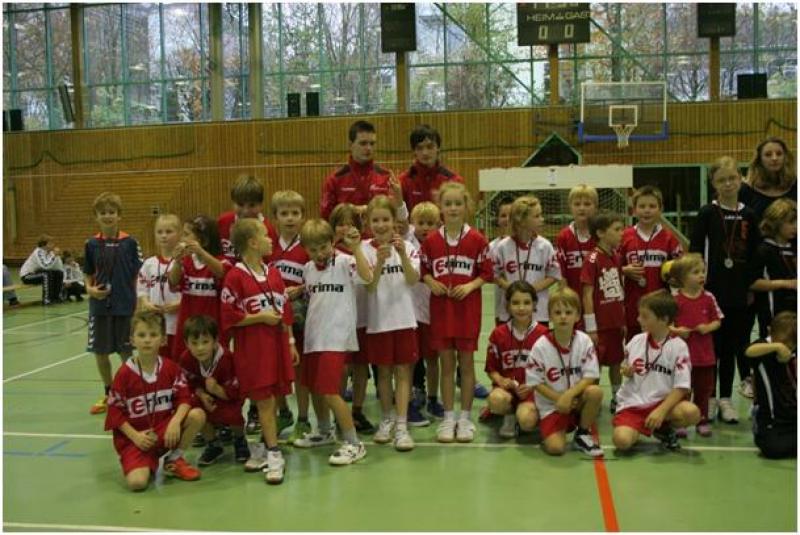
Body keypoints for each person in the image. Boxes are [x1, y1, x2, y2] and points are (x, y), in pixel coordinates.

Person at [220, 218, 298, 484]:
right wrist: (260, 318)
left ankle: (266, 445)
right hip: (254, 349)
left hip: (276, 346)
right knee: (263, 401)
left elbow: (284, 312)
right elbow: (229, 317)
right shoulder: (235, 275)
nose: (270, 239)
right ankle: (275, 454)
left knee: (273, 398)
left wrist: (290, 342)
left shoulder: (273, 273)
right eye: (265, 235)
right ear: (252, 242)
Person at [293, 218, 371, 466]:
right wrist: (295, 291)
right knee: (316, 388)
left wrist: (356, 248)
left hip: (336, 338)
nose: (319, 253)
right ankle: (324, 431)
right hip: (314, 338)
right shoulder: (307, 269)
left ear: (332, 242)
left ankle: (353, 442)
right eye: (313, 249)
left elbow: (368, 277)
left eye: (323, 247)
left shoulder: (345, 262)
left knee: (329, 391)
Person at [689, 156, 761, 422]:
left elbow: (755, 254)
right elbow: (695, 249)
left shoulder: (749, 215)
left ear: (740, 178)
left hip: (739, 293)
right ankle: (707, 398)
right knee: (712, 348)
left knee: (732, 346)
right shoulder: (708, 212)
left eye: (732, 178)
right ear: (713, 184)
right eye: (721, 180)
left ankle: (726, 399)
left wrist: (751, 286)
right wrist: (696, 284)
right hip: (712, 290)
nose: (728, 184)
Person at [420, 181, 493, 443]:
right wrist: (431, 282)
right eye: (448, 203)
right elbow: (424, 271)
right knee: (446, 364)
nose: (452, 208)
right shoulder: (431, 241)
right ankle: (448, 417)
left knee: (466, 365)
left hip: (467, 311)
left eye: (457, 203)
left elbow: (487, 273)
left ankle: (465, 418)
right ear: (441, 207)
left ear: (466, 207)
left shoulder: (477, 239)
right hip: (441, 310)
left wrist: (470, 285)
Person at [105, 310, 205, 491]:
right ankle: (145, 461)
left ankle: (174, 459)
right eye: (141, 335)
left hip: (165, 431)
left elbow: (184, 399)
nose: (147, 340)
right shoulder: (124, 374)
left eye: (153, 335)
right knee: (137, 484)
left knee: (196, 415)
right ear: (132, 339)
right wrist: (135, 437)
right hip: (137, 438)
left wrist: (175, 421)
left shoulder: (170, 368)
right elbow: (114, 413)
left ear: (163, 339)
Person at [361, 196, 421, 451]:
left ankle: (401, 424)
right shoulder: (364, 249)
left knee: (403, 372)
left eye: (385, 219)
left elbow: (412, 279)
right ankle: (386, 419)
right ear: (368, 223)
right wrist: (380, 263)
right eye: (376, 220)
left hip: (404, 319)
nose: (381, 225)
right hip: (379, 321)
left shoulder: (407, 245)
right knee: (383, 373)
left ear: (394, 222)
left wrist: (401, 256)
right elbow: (370, 286)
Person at [612, 290, 701, 452]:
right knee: (621, 441)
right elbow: (625, 367)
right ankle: (643, 427)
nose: (639, 319)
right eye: (639, 315)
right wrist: (627, 371)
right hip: (634, 403)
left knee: (691, 413)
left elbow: (681, 387)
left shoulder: (679, 347)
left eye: (645, 316)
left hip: (662, 404)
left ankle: (662, 427)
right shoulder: (636, 341)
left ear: (664, 319)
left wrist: (661, 411)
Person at [527, 287, 604, 457]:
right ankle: (547, 428)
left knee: (595, 392)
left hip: (576, 401)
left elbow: (591, 376)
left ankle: (582, 432)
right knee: (556, 449)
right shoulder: (540, 345)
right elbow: (535, 382)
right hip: (551, 404)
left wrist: (569, 396)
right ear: (550, 316)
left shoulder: (584, 341)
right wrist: (559, 399)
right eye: (557, 312)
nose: (563, 316)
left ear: (577, 316)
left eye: (568, 312)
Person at [84, 192, 143, 415]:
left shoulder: (130, 243)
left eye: (111, 212)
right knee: (100, 352)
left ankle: (128, 393)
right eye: (102, 213)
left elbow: (139, 274)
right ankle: (109, 393)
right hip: (99, 308)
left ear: (119, 215)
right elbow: (87, 273)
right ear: (96, 217)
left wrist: (138, 302)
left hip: (126, 306)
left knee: (126, 352)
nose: (107, 216)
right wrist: (89, 289)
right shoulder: (91, 244)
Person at [267, 190, 311, 440]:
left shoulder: (307, 246)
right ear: (275, 217)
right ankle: (284, 411)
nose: (290, 218)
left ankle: (303, 418)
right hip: (273, 317)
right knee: (276, 369)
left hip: (300, 317)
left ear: (303, 216)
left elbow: (318, 277)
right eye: (284, 213)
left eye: (295, 213)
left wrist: (302, 288)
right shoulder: (267, 246)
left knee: (300, 369)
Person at [328, 202, 375, 434]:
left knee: (360, 367)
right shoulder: (327, 252)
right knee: (342, 368)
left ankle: (357, 409)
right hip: (339, 320)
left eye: (350, 224)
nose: (345, 229)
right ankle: (340, 413)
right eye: (340, 225)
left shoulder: (364, 248)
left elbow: (368, 277)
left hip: (363, 316)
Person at [179, 315, 249, 465]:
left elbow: (237, 393)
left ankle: (239, 439)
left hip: (228, 396)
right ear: (186, 343)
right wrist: (202, 394)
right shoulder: (185, 359)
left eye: (205, 342)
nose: (200, 348)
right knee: (193, 406)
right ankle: (213, 444)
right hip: (205, 396)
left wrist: (217, 390)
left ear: (215, 341)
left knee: (234, 412)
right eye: (194, 343)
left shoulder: (227, 359)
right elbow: (188, 385)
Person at [668, 253, 723, 437]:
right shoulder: (675, 300)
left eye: (703, 271)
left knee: (703, 390)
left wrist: (707, 327)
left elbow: (718, 320)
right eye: (695, 272)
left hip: (705, 355)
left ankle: (702, 419)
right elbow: (666, 324)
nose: (701, 275)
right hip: (682, 358)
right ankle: (681, 421)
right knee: (682, 390)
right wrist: (677, 331)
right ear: (682, 277)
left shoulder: (709, 297)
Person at [485, 281, 548, 439]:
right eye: (515, 303)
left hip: (532, 391)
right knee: (496, 400)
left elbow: (550, 372)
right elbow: (491, 369)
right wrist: (500, 380)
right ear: (507, 306)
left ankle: (525, 416)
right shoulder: (498, 334)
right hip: (507, 390)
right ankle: (509, 417)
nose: (521, 308)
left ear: (534, 305)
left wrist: (533, 386)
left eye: (526, 303)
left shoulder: (544, 334)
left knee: (527, 421)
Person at [620, 185, 683, 340]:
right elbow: (611, 267)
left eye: (652, 206)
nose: (647, 210)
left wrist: (676, 276)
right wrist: (623, 269)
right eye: (641, 206)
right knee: (635, 352)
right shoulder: (624, 236)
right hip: (633, 307)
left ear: (660, 209)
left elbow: (680, 271)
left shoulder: (669, 238)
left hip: (661, 310)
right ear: (633, 210)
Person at [168, 215, 231, 367]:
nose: (182, 238)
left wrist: (201, 252)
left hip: (213, 325)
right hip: (188, 322)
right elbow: (173, 282)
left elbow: (222, 272)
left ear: (204, 239)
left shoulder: (222, 260)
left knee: (216, 364)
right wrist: (177, 261)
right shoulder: (187, 261)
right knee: (184, 362)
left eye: (186, 234)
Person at [581, 210, 626, 414]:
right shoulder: (592, 259)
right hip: (599, 325)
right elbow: (587, 294)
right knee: (595, 366)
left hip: (615, 323)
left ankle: (617, 396)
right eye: (616, 229)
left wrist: (623, 319)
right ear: (600, 233)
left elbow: (618, 289)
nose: (621, 233)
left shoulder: (616, 256)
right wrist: (591, 327)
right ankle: (593, 398)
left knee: (616, 362)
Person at [492, 195, 561, 326]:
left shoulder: (544, 246)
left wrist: (531, 289)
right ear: (522, 220)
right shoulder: (503, 246)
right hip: (509, 310)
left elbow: (554, 275)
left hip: (538, 311)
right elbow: (494, 274)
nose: (542, 219)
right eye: (537, 216)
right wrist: (512, 290)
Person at [320, 120, 405, 221]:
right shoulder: (335, 180)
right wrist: (352, 210)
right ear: (350, 145)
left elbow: (396, 215)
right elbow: (326, 216)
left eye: (372, 144)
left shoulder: (386, 177)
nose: (368, 148)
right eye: (363, 143)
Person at [408, 201, 445, 421]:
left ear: (438, 224)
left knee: (433, 359)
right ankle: (412, 398)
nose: (424, 227)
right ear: (413, 224)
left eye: (430, 223)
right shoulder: (406, 244)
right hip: (411, 312)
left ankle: (432, 398)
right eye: (420, 223)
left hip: (433, 312)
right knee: (411, 359)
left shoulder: (441, 245)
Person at [745, 311, 796, 460]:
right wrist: (777, 347)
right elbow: (748, 351)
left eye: (790, 345)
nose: (786, 349)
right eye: (782, 343)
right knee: (772, 448)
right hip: (772, 422)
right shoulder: (762, 351)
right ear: (769, 332)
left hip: (794, 418)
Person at [137, 214, 182, 360]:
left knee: (178, 360)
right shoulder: (149, 263)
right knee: (160, 361)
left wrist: (180, 304)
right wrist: (146, 303)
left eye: (169, 232)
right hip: (156, 324)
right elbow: (142, 289)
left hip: (177, 323)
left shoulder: (184, 262)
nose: (164, 236)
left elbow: (189, 290)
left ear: (179, 234)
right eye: (160, 232)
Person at [749, 198, 797, 331]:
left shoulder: (794, 247)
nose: (795, 227)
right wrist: (784, 283)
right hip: (773, 314)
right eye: (791, 222)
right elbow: (752, 282)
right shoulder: (764, 250)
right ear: (777, 222)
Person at [398, 124, 464, 212]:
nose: (425, 152)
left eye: (430, 147)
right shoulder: (403, 181)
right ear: (414, 151)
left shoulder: (454, 180)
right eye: (420, 148)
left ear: (438, 148)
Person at [217, 174, 279, 266]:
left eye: (252, 205)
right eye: (240, 204)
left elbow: (269, 264)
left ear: (261, 204)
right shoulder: (223, 222)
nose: (246, 211)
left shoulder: (268, 230)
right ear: (233, 202)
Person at [556, 184, 599, 306]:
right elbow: (561, 273)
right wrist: (565, 299)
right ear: (570, 207)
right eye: (577, 204)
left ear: (595, 207)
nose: (582, 208)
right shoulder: (564, 236)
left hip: (597, 299)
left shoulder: (601, 234)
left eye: (587, 204)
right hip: (573, 299)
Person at [740, 137, 797, 222]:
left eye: (779, 154)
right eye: (768, 155)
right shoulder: (746, 189)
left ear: (785, 157)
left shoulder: (795, 185)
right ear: (759, 160)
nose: (774, 158)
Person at [489, 197, 514, 325]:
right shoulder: (492, 247)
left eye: (511, 215)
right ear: (497, 219)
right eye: (503, 215)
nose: (507, 219)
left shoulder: (528, 243)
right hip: (502, 309)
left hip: (527, 309)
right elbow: (491, 275)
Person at [20, 234, 64, 305]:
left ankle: (56, 297)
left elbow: (58, 267)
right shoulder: (38, 252)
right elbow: (46, 266)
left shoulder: (49, 252)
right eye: (50, 243)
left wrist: (56, 256)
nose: (53, 245)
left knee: (58, 273)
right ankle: (46, 299)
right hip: (27, 276)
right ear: (44, 245)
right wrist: (54, 255)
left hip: (37, 273)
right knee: (46, 274)